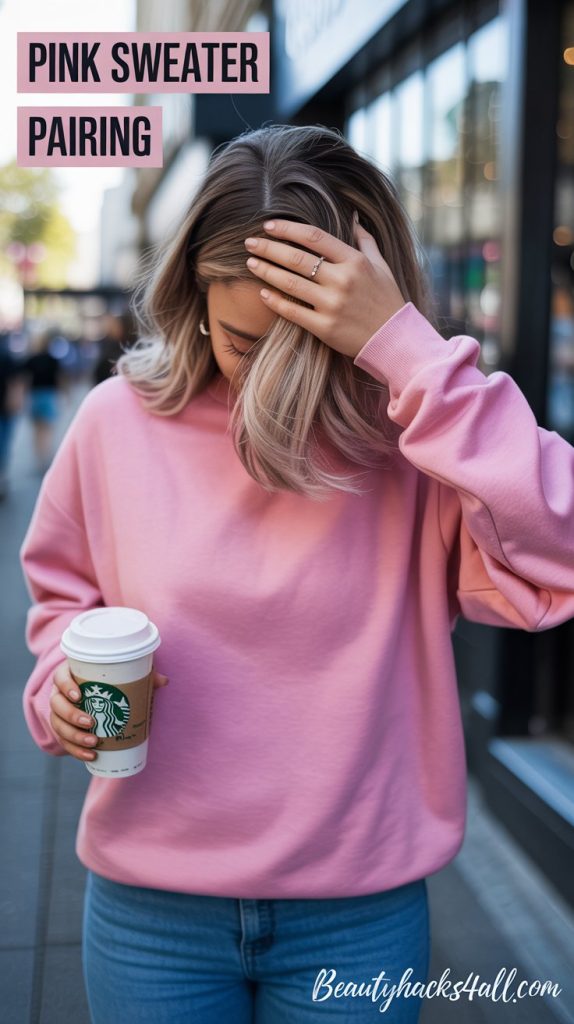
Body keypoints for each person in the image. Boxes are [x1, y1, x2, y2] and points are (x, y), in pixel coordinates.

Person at [19, 124, 574, 1023]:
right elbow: (63, 606)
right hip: (151, 910)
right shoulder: (115, 423)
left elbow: (561, 544)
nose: (277, 390)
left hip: (357, 915)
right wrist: (61, 698)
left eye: (314, 346)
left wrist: (411, 356)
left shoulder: (419, 438)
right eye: (245, 344)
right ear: (193, 296)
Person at [21, 330, 64, 474]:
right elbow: (59, 378)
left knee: (37, 430)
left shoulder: (31, 359)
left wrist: (23, 396)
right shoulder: (53, 359)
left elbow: (26, 380)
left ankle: (39, 458)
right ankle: (46, 456)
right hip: (49, 395)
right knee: (47, 428)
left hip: (35, 395)